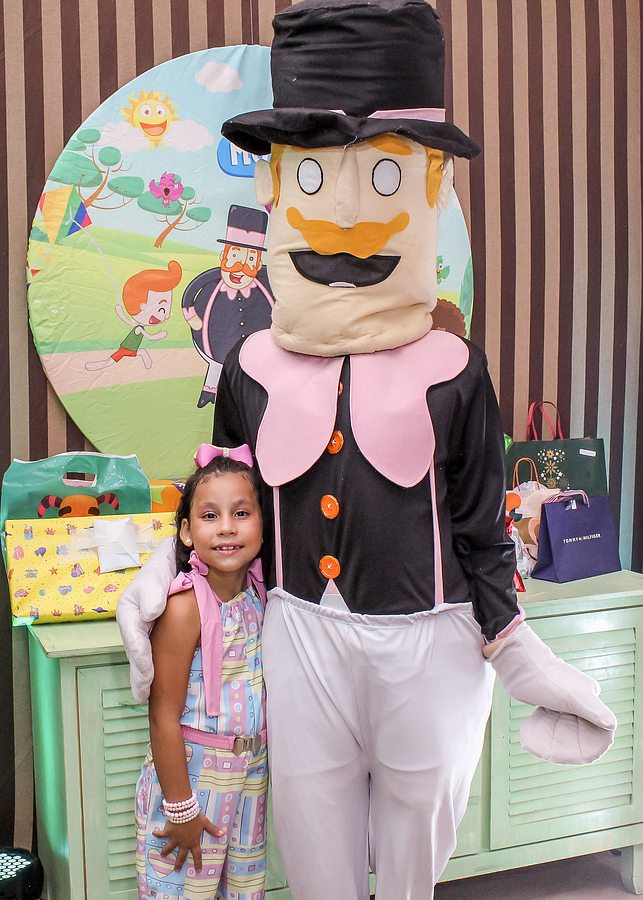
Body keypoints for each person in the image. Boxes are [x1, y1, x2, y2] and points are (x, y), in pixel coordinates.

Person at [119, 3, 616, 898]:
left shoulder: (454, 369)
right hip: (299, 637)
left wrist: (513, 644)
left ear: (429, 185)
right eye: (313, 175)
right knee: (314, 853)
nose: (345, 222)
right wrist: (169, 566)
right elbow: (222, 486)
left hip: (431, 643)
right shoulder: (251, 364)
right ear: (279, 185)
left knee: (413, 854)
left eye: (384, 175)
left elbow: (480, 525)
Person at [134, 444, 268, 900]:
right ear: (187, 532)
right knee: (182, 889)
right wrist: (181, 808)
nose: (227, 527)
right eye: (210, 516)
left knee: (244, 890)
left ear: (263, 526)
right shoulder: (183, 608)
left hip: (251, 778)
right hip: (190, 783)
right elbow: (162, 716)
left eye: (242, 513)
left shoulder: (258, 596)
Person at [182, 205, 274, 407]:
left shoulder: (266, 284)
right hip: (216, 335)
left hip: (255, 338)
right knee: (218, 360)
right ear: (223, 256)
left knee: (254, 366)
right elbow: (191, 292)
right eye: (234, 256)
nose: (240, 266)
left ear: (258, 264)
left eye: (250, 259)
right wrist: (192, 317)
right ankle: (210, 392)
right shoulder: (212, 284)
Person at [85, 260, 182, 371]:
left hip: (128, 347)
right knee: (121, 355)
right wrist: (121, 314)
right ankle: (138, 355)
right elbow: (142, 332)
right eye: (161, 309)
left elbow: (143, 332)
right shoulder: (139, 327)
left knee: (117, 356)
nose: (163, 316)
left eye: (164, 310)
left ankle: (105, 363)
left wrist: (121, 314)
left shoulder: (139, 327)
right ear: (142, 305)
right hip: (128, 347)